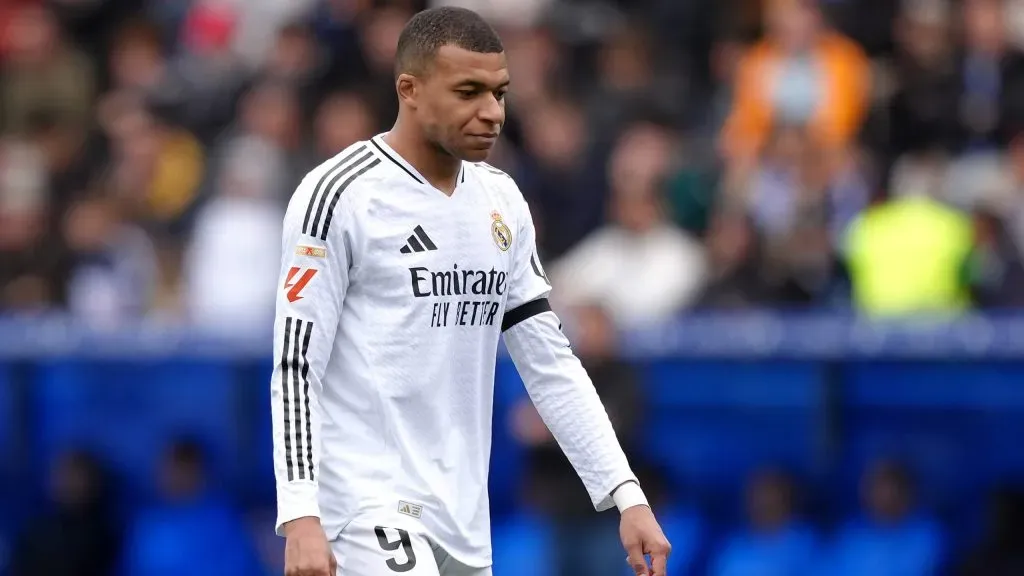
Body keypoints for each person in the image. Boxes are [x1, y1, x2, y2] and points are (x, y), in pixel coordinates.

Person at [269, 7, 671, 576]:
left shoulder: (501, 201)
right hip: (362, 505)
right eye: (469, 92)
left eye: (500, 93)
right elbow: (295, 364)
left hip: (461, 516)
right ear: (409, 89)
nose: (492, 113)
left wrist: (624, 493)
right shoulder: (340, 194)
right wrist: (300, 512)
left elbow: (549, 361)